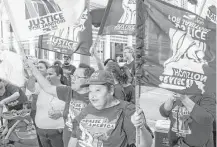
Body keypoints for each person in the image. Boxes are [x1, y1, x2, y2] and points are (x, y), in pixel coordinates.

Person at [68, 70, 153, 147]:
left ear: (111, 90)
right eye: (90, 91)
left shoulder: (127, 111)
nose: (92, 96)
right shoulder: (87, 109)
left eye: (98, 90)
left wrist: (141, 127)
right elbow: (74, 137)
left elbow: (146, 145)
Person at [25, 60, 95, 147]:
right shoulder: (69, 91)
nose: (72, 79)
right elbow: (47, 87)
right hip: (67, 140)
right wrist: (32, 67)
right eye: (72, 76)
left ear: (88, 80)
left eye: (77, 77)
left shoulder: (96, 98)